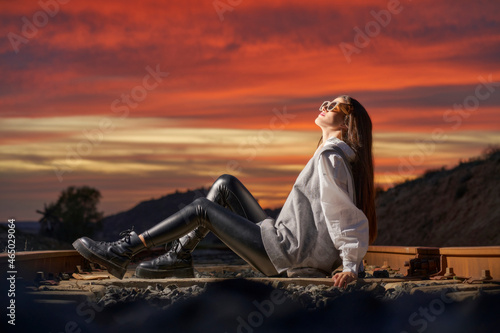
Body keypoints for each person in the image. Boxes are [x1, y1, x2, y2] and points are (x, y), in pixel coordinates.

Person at [73, 95, 377, 288]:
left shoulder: (331, 157)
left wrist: (350, 264)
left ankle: (123, 251)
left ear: (348, 120)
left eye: (334, 105)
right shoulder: (330, 154)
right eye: (325, 102)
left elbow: (342, 213)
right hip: (284, 241)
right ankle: (178, 257)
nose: (324, 107)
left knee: (201, 209)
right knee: (225, 184)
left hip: (286, 256)